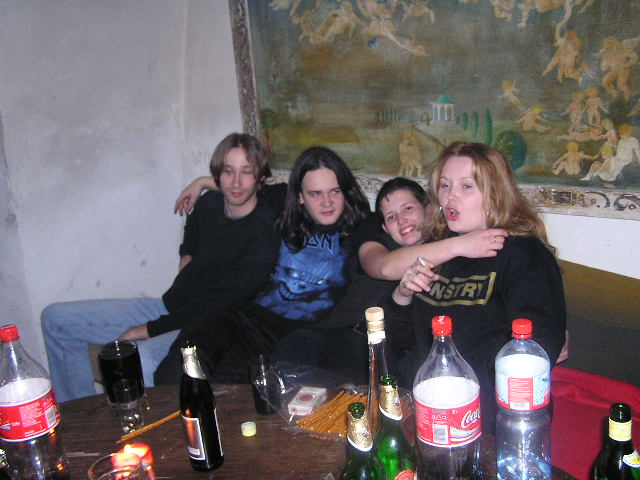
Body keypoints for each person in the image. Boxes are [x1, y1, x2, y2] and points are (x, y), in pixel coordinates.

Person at [41, 133, 283, 402]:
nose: (236, 182)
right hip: (170, 305)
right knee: (56, 320)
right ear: (218, 175)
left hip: (202, 323)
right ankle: (78, 412)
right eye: (228, 171)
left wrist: (144, 330)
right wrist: (186, 254)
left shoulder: (264, 235)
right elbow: (194, 225)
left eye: (247, 172)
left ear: (260, 178)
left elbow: (219, 304)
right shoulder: (210, 203)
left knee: (141, 356)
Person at [383, 142, 567, 434]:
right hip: (421, 408)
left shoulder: (523, 254)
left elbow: (535, 349)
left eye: (466, 186)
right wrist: (402, 294)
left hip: (486, 417)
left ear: (495, 194)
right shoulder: (439, 250)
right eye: (445, 185)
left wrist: (465, 391)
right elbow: (401, 344)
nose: (450, 196)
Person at [153, 146, 376, 384]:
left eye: (335, 191)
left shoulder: (363, 226)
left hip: (301, 338)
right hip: (248, 319)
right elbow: (242, 189)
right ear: (300, 196)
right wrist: (202, 182)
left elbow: (382, 262)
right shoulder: (281, 203)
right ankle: (172, 400)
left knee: (236, 388)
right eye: (315, 194)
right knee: (188, 357)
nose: (327, 202)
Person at [273, 177, 509, 384]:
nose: (402, 220)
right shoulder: (376, 245)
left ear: (428, 209)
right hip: (343, 334)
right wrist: (460, 245)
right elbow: (385, 268)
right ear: (385, 227)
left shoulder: (456, 253)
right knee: (292, 349)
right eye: (392, 217)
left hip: (390, 348)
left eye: (408, 209)